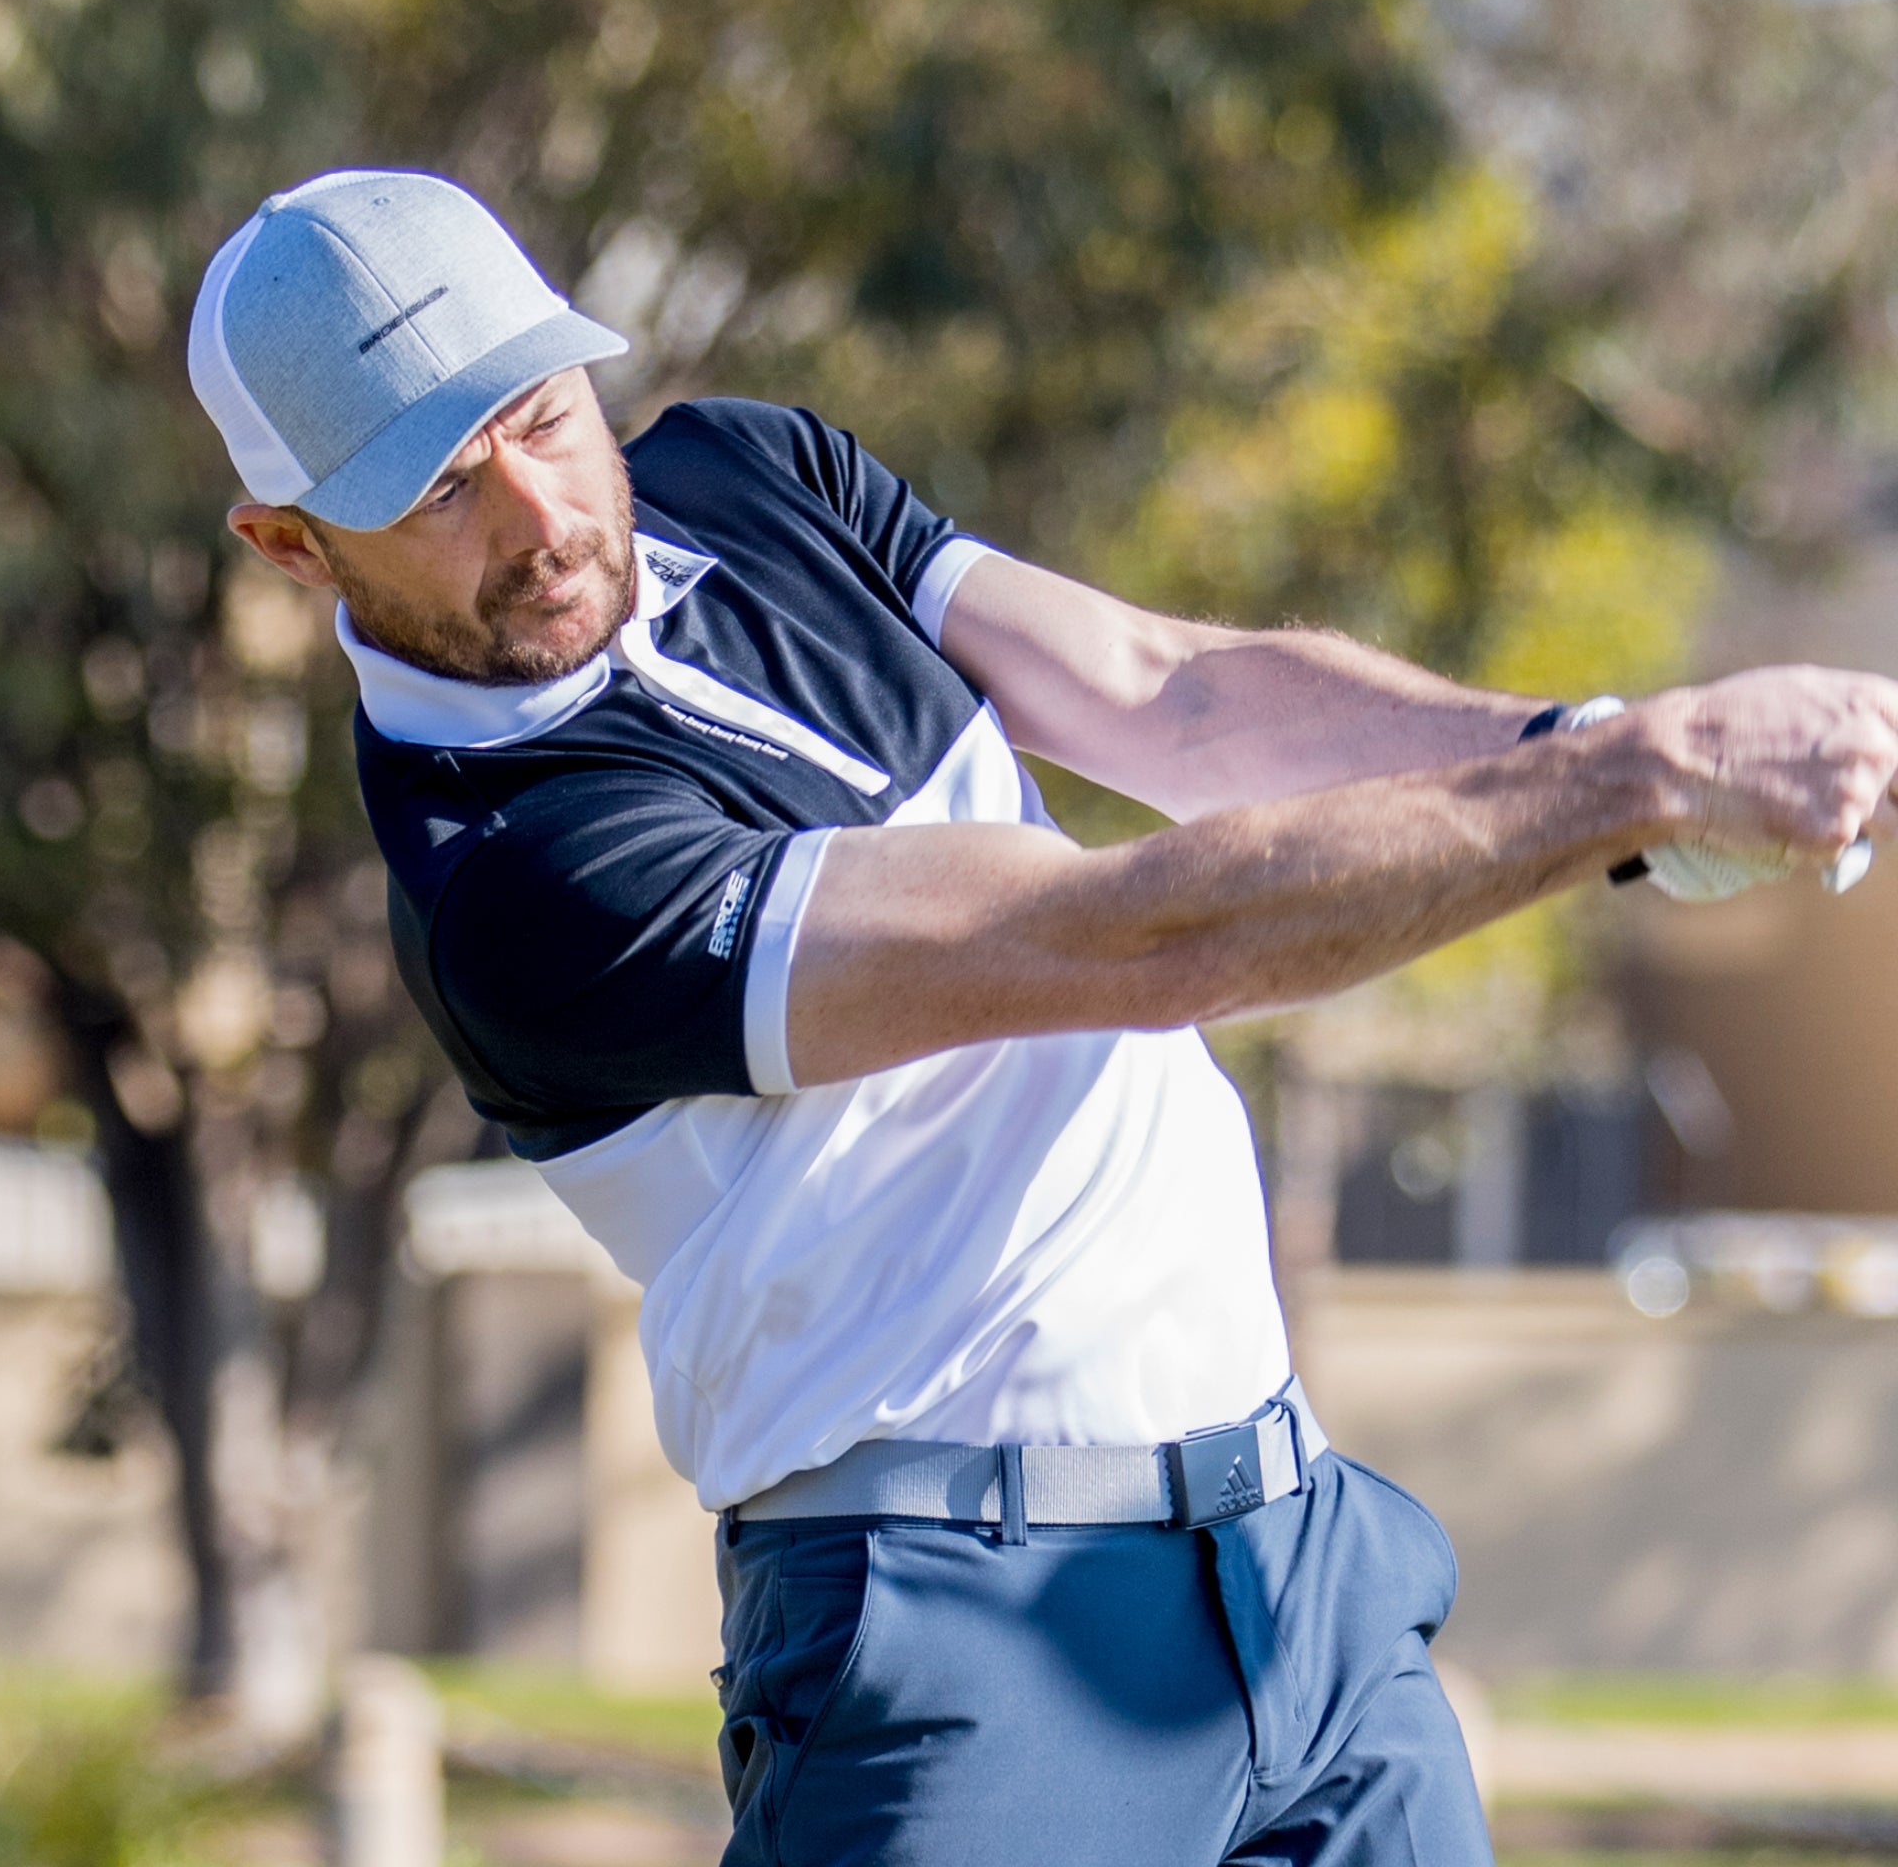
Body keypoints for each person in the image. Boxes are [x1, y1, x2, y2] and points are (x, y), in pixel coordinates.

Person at [192, 169, 1898, 1867]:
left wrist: (1585, 750)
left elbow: (1172, 696)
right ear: (290, 545)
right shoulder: (509, 877)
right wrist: (1632, 786)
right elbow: (1134, 938)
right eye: (436, 489)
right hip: (964, 1644)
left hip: (1297, 1567)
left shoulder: (746, 474)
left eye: (544, 420)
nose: (541, 518)